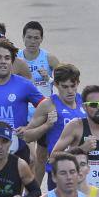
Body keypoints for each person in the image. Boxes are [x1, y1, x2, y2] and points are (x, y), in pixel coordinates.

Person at [23, 63, 85, 189]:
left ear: (78, 83)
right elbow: (27, 136)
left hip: (83, 169)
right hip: (59, 171)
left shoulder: (83, 101)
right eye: (65, 87)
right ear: (56, 84)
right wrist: (47, 125)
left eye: (73, 86)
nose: (70, 91)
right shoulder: (48, 105)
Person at [18, 21, 60, 183]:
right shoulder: (17, 59)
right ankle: (28, 189)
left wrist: (48, 79)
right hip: (23, 112)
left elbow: (67, 83)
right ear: (23, 38)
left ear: (41, 39)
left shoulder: (49, 59)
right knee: (31, 158)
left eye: (36, 38)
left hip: (43, 113)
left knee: (42, 158)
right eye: (29, 37)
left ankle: (35, 192)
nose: (32, 42)